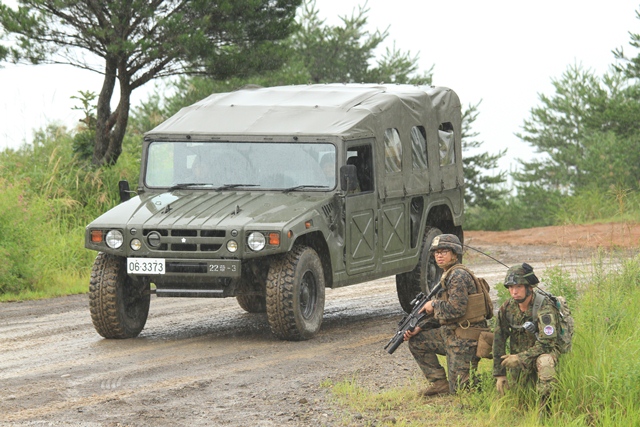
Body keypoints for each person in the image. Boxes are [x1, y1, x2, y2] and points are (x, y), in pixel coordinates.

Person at [403, 234, 488, 397]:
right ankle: (440, 384)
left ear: (455, 254)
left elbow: (456, 310)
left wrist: (433, 304)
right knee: (418, 341)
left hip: (465, 338)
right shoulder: (448, 275)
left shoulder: (458, 276)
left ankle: (487, 382)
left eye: (444, 251)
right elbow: (444, 315)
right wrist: (420, 327)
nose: (439, 255)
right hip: (452, 334)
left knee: (462, 391)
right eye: (436, 252)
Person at [493, 263, 561, 412]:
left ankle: (547, 411)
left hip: (540, 354)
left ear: (529, 287)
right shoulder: (507, 308)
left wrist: (520, 358)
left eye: (518, 287)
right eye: (510, 287)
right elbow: (499, 339)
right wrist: (499, 373)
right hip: (519, 359)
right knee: (518, 399)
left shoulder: (544, 307)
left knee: (545, 363)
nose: (514, 291)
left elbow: (548, 343)